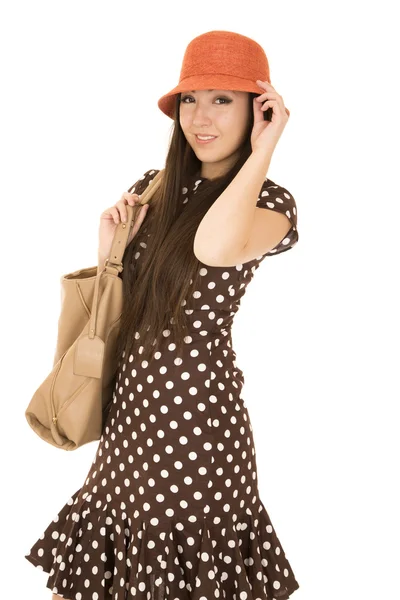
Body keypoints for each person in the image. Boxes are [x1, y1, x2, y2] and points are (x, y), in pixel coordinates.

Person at [24, 30, 300, 600]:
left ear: (259, 109)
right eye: (190, 99)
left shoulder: (272, 203)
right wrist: (109, 256)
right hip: (128, 424)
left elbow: (216, 250)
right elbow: (119, 314)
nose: (200, 116)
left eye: (223, 99)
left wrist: (265, 148)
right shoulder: (150, 190)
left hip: (196, 428)